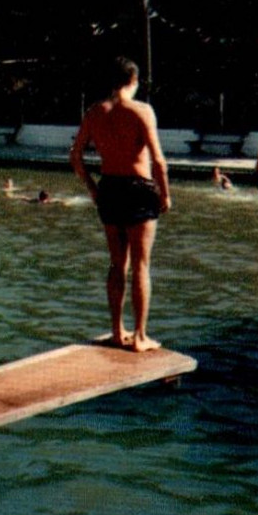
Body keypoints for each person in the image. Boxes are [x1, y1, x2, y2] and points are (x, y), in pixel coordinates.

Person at [69, 57, 171, 352]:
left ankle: (117, 331)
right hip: (139, 189)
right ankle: (140, 336)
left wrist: (92, 189)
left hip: (109, 188)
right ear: (134, 81)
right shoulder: (142, 111)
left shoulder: (94, 112)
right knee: (141, 264)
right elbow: (159, 161)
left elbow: (76, 158)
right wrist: (165, 195)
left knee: (117, 264)